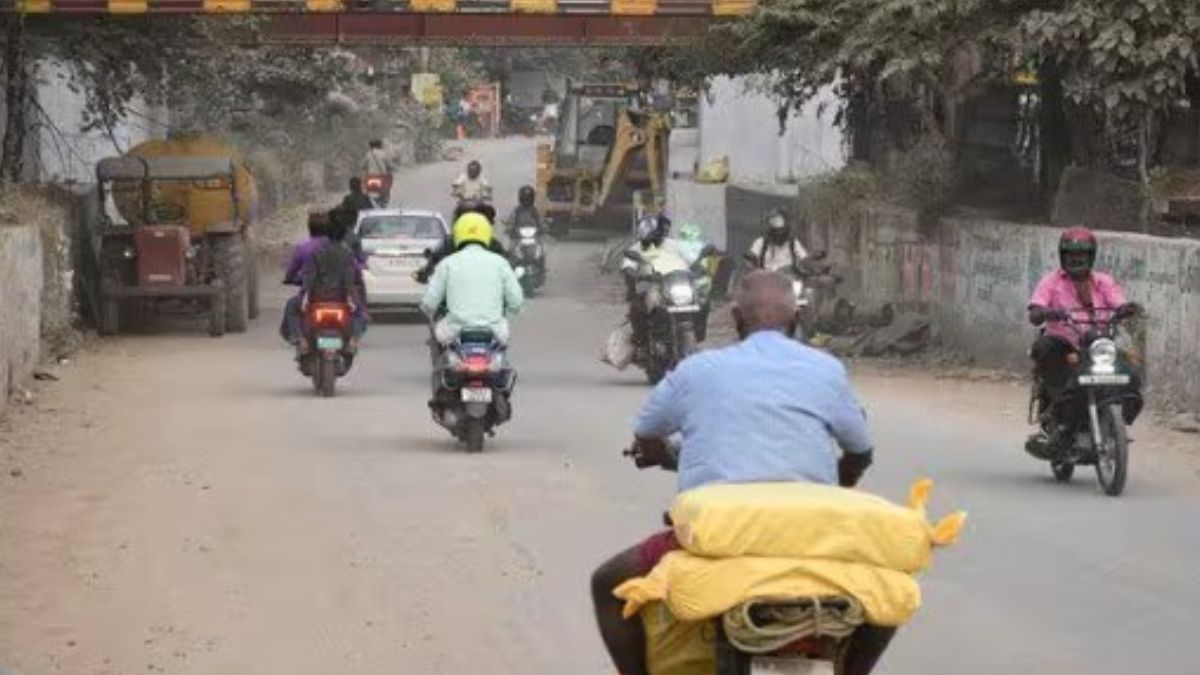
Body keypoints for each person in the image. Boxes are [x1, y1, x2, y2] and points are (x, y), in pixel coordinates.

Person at [591, 271, 889, 675]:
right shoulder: (826, 369)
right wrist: (838, 484)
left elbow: (647, 432)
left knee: (607, 584)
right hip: (812, 537)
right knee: (886, 594)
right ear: (796, 319)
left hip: (719, 537)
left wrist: (662, 454)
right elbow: (860, 451)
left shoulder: (698, 370)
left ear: (735, 318)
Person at [1026, 227, 1137, 435]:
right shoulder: (1051, 281)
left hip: (1098, 344)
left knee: (1130, 371)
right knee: (1044, 348)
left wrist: (1125, 309)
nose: (1076, 260)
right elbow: (1035, 309)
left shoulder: (1104, 281)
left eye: (1082, 255)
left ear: (1091, 256)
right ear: (1062, 256)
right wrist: (1044, 313)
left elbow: (1119, 302)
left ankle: (1118, 419)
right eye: (1070, 254)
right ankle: (1056, 403)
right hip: (1065, 344)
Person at [420, 212, 524, 347]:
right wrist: (516, 309)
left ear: (458, 234)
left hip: (454, 330)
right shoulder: (500, 263)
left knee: (437, 335)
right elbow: (516, 301)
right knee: (502, 347)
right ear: (487, 233)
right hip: (495, 330)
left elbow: (429, 302)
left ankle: (440, 366)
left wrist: (426, 309)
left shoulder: (447, 263)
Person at [296, 211, 368, 352]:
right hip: (339, 299)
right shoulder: (347, 254)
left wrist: (302, 296)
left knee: (294, 310)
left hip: (317, 299)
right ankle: (353, 339)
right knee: (362, 315)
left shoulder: (317, 253)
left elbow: (308, 278)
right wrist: (356, 301)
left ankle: (302, 340)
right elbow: (350, 281)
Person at [415, 201, 507, 284]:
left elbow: (507, 268)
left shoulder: (448, 243)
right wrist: (426, 273)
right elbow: (434, 262)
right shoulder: (493, 244)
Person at [280, 210, 330, 345]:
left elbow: (292, 270)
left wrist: (289, 279)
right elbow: (354, 267)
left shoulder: (303, 248)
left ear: (310, 229)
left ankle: (298, 338)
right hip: (338, 294)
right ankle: (353, 338)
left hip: (313, 295)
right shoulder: (340, 247)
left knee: (292, 307)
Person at [745, 208, 808, 272]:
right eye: (773, 222)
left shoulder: (793, 243)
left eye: (780, 230)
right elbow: (749, 259)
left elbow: (805, 259)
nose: (778, 234)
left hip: (789, 277)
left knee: (798, 282)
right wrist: (755, 269)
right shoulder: (761, 242)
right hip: (766, 276)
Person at [360, 139, 394, 205]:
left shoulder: (368, 154)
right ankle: (384, 200)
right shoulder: (383, 154)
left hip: (371, 177)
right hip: (381, 176)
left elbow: (362, 165)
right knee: (386, 188)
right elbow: (389, 164)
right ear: (379, 145)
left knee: (367, 188)